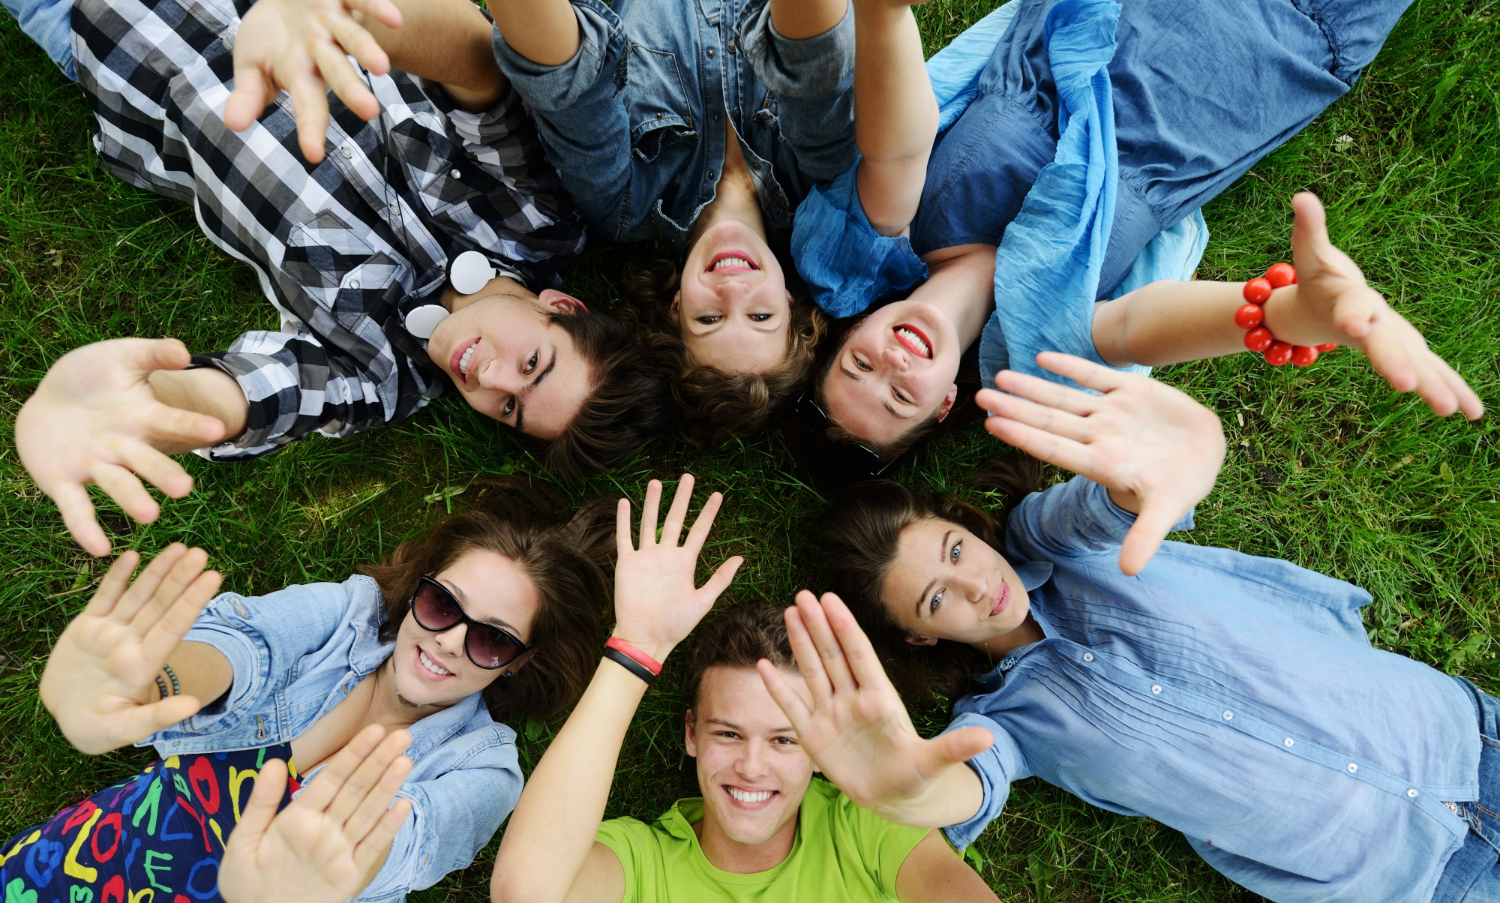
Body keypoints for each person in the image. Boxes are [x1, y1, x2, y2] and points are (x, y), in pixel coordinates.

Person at [767, 351, 1498, 902]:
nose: (975, 585)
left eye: (956, 550)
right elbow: (968, 785)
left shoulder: (1047, 540)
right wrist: (909, 794)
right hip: (1416, 881)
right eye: (936, 599)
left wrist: (1145, 469)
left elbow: (1111, 500)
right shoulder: (1004, 720)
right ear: (921, 636)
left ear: (964, 527)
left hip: (1457, 735)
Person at [8, 0, 673, 558]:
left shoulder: (378, 376)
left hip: (116, 43)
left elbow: (259, 396)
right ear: (559, 304)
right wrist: (338, 11)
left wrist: (144, 409)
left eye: (509, 409)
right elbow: (477, 67)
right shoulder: (539, 216)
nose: (489, 379)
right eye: (532, 363)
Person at [794, 0, 1480, 471]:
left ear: (857, 326)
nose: (894, 362)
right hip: (1291, 36)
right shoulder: (1045, 353)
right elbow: (1140, 327)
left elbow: (896, 127)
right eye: (900, 397)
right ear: (944, 403)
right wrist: (1291, 315)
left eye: (861, 363)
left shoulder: (890, 224)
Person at [1, 478, 615, 902]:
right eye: (441, 603)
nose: (451, 641)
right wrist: (148, 680)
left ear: (518, 662)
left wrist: (328, 867)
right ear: (420, 586)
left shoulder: (485, 767)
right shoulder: (350, 612)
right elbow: (245, 648)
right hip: (108, 848)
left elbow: (411, 844)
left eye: (492, 639)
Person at [488, 477, 994, 903]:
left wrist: (916, 799)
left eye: (785, 739)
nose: (752, 766)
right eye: (729, 734)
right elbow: (525, 893)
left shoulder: (865, 831)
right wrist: (637, 647)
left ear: (822, 753)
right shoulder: (643, 864)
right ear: (691, 735)